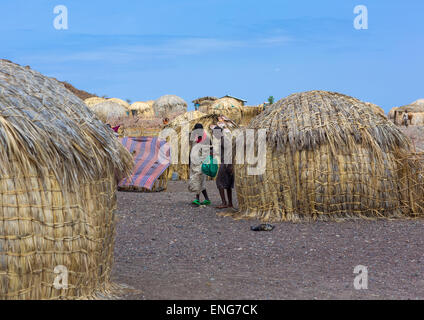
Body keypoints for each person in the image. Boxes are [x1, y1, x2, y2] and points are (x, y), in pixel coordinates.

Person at [188, 123, 211, 206]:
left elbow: (208, 151)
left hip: (201, 164)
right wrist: (189, 161)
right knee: (200, 182)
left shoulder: (206, 139)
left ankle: (197, 199)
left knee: (198, 180)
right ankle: (207, 199)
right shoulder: (195, 139)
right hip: (194, 163)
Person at [213, 125, 234, 209]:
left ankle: (224, 202)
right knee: (228, 184)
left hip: (226, 163)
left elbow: (229, 151)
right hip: (229, 163)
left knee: (219, 182)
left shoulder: (223, 140)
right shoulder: (224, 140)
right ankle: (230, 203)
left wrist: (228, 165)